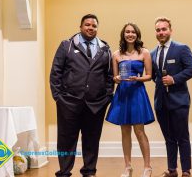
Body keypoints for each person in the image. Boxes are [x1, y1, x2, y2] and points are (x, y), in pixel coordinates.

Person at [50, 14, 114, 177]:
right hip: (68, 103)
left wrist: (107, 97)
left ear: (97, 28)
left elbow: (109, 75)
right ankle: (64, 171)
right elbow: (56, 72)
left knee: (92, 140)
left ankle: (89, 171)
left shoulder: (105, 48)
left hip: (95, 104)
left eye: (94, 26)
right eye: (87, 25)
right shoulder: (67, 45)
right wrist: (58, 97)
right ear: (80, 27)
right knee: (66, 140)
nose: (90, 28)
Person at [106, 23, 155, 177]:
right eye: (127, 32)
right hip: (122, 94)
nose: (130, 34)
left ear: (137, 34)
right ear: (123, 34)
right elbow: (114, 78)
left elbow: (149, 75)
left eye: (133, 32)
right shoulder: (116, 54)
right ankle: (128, 167)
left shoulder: (145, 52)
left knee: (139, 131)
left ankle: (147, 167)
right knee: (125, 131)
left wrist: (138, 78)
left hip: (137, 93)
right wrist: (117, 78)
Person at [150, 17, 192, 177]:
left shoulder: (182, 48)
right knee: (169, 138)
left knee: (182, 137)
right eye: (158, 30)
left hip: (179, 101)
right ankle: (172, 170)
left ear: (170, 30)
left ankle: (186, 171)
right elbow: (153, 76)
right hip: (161, 103)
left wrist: (174, 79)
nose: (161, 32)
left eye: (164, 29)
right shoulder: (152, 53)